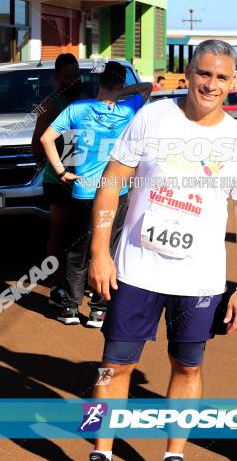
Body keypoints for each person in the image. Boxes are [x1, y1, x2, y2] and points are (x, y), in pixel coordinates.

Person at [87, 39, 237, 461]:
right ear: (189, 74)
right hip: (135, 270)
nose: (211, 84)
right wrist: (99, 250)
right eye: (204, 74)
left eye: (221, 77)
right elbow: (112, 182)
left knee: (187, 367)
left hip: (197, 279)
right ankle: (101, 453)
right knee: (116, 365)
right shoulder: (151, 117)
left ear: (232, 83)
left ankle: (174, 454)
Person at [40, 62, 152, 327]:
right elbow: (148, 87)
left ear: (99, 81)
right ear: (121, 82)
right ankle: (99, 310)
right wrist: (124, 91)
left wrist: (61, 170)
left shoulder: (77, 109)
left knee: (76, 250)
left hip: (83, 190)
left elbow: (46, 139)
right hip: (116, 191)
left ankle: (69, 307)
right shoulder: (129, 107)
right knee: (109, 250)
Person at [31, 53, 81, 289]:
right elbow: (37, 145)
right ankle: (58, 283)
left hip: (84, 178)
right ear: (58, 77)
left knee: (82, 233)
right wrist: (57, 165)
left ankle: (78, 282)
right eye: (69, 75)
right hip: (58, 180)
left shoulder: (84, 101)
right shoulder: (50, 106)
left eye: (77, 74)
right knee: (60, 232)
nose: (74, 79)